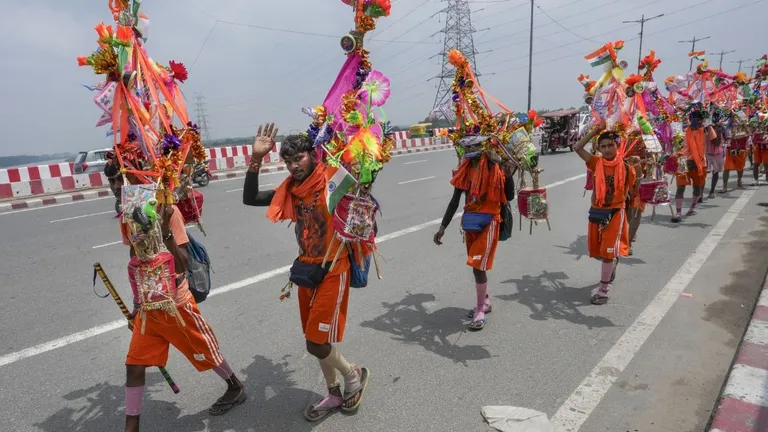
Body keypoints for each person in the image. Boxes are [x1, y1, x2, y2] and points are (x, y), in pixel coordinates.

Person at [242, 123, 369, 422]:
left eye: (298, 158)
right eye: (288, 161)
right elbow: (250, 198)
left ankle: (353, 376)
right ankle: (333, 390)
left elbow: (364, 174)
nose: (293, 165)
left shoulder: (332, 181)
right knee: (316, 340)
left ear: (313, 155)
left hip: (333, 269)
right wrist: (256, 159)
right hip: (306, 273)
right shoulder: (290, 190)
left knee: (315, 342)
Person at [121, 173, 246, 432]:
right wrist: (136, 306)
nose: (118, 187)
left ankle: (235, 385)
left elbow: (182, 263)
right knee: (134, 365)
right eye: (116, 182)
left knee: (206, 351)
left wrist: (165, 233)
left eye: (124, 179)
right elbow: (135, 258)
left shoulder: (169, 211)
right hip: (148, 308)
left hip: (177, 304)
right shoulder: (129, 213)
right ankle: (131, 427)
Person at [433, 152, 514, 331]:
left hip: (490, 222)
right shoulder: (466, 169)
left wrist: (508, 175)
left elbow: (509, 196)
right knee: (476, 266)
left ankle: (480, 311)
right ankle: (485, 302)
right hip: (470, 223)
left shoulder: (495, 166)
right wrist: (443, 226)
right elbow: (455, 200)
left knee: (478, 266)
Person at [574, 124, 638, 305]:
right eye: (603, 146)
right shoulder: (596, 163)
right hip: (597, 212)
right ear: (599, 149)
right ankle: (611, 265)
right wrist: (595, 131)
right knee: (600, 252)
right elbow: (577, 148)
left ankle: (603, 289)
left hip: (616, 213)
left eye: (610, 145)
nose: (607, 149)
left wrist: (638, 166)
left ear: (617, 145)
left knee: (608, 252)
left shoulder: (626, 167)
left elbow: (635, 189)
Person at [671, 111, 714, 223]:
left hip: (700, 162)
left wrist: (709, 125)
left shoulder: (705, 130)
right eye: (698, 120)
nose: (700, 122)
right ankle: (678, 212)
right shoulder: (682, 131)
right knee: (680, 187)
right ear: (692, 120)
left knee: (698, 187)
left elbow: (714, 137)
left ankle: (692, 207)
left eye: (701, 120)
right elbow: (675, 145)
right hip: (683, 162)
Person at [706, 123, 725, 199]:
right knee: (703, 173)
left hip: (717, 154)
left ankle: (712, 191)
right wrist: (718, 131)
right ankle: (700, 194)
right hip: (707, 154)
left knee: (715, 172)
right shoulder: (708, 128)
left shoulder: (717, 128)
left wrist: (720, 130)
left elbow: (719, 143)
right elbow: (716, 142)